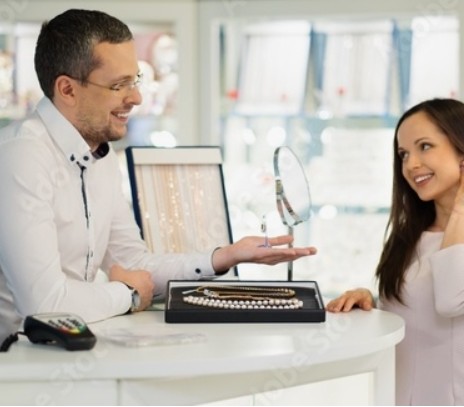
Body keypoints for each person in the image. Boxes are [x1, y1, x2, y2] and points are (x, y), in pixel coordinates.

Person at [0, 9, 316, 342]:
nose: (136, 98)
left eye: (135, 80)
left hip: (68, 352)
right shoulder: (21, 156)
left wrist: (223, 257)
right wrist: (129, 293)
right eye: (118, 85)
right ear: (67, 89)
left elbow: (134, 263)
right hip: (17, 363)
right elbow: (45, 305)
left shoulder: (98, 154)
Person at [327, 98, 464, 405]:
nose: (411, 164)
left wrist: (461, 209)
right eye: (403, 154)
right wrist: (371, 304)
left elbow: (454, 298)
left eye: (424, 146)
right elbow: (412, 325)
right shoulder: (409, 235)